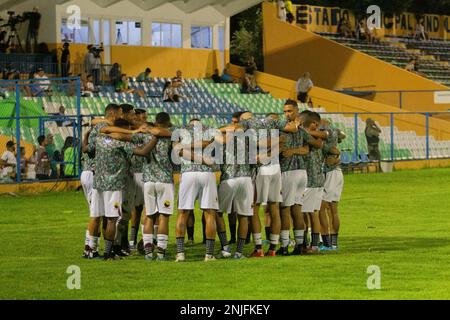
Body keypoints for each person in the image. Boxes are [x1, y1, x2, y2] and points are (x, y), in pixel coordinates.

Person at [278, 101, 322, 256]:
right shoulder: (301, 131)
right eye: (285, 111)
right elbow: (308, 147)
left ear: (296, 111)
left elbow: (308, 147)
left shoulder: (283, 128)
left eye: (290, 111)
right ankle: (299, 245)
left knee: (285, 209)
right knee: (297, 209)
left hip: (289, 172)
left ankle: (283, 246)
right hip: (302, 173)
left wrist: (290, 151)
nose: (287, 114)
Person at [173, 120, 220, 262]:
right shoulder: (211, 131)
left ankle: (180, 253)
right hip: (207, 173)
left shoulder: (180, 131)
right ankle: (209, 255)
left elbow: (177, 151)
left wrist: (186, 146)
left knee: (182, 213)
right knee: (210, 214)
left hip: (188, 173)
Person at [301, 111, 327, 254]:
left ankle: (308, 245)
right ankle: (314, 245)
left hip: (310, 180)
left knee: (306, 214)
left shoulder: (309, 136)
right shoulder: (319, 136)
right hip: (318, 179)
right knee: (313, 214)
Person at [319, 119, 346, 251]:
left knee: (322, 207)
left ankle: (327, 243)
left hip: (330, 173)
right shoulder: (334, 132)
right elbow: (343, 135)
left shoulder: (325, 133)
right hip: (337, 171)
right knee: (333, 209)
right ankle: (334, 243)